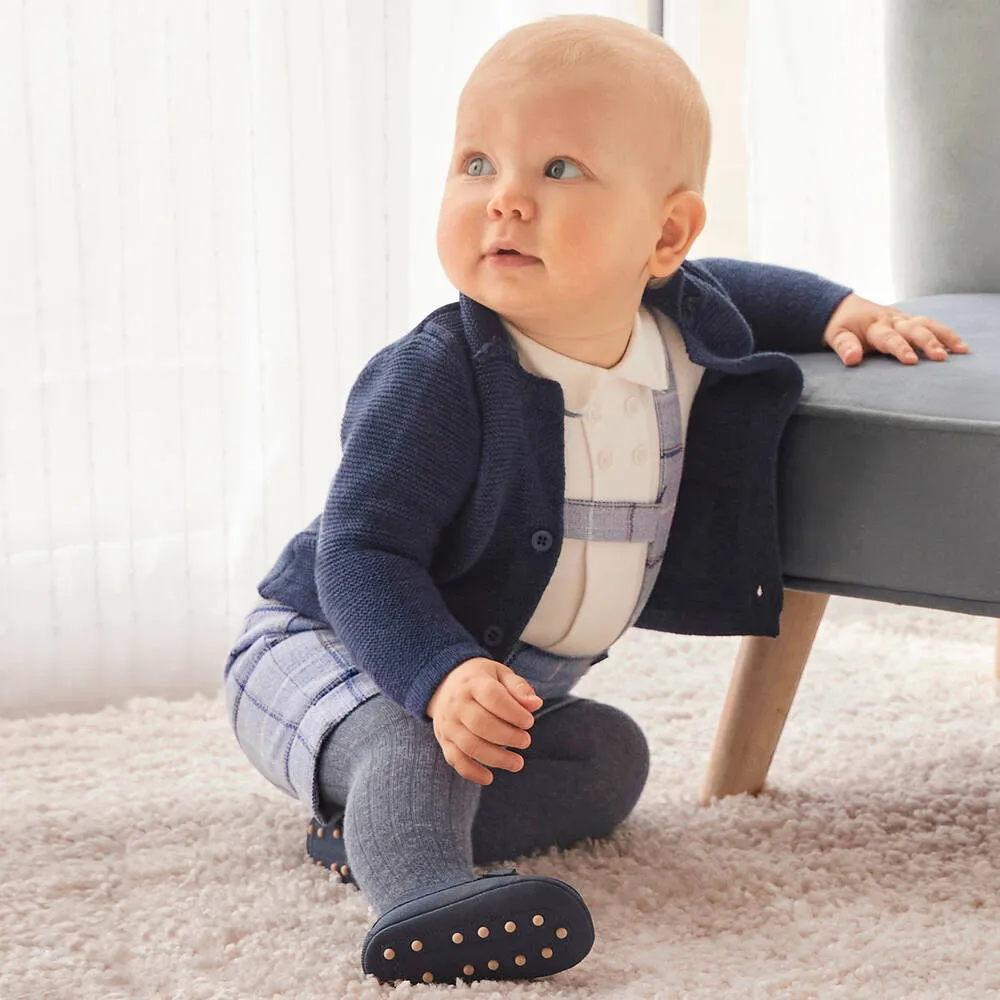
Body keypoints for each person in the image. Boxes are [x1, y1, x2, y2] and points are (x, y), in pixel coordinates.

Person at [223, 14, 968, 987]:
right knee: (413, 744)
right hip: (336, 639)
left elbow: (742, 287)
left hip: (489, 674)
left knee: (605, 761)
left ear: (662, 234)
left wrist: (839, 310)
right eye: (478, 163)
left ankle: (364, 827)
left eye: (558, 170)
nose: (506, 202)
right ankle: (419, 897)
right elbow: (360, 552)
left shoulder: (675, 321)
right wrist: (441, 675)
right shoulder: (441, 375)